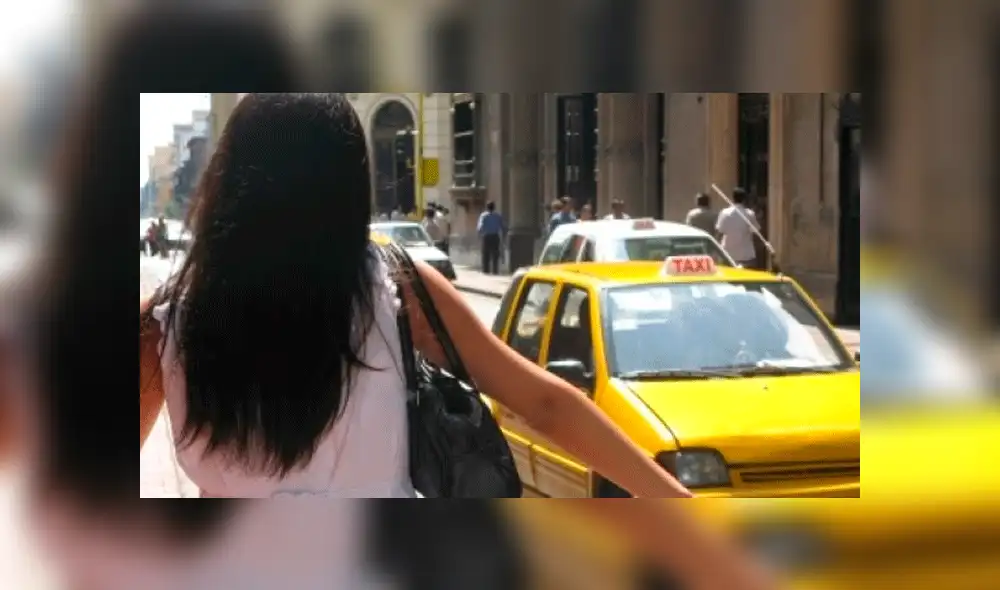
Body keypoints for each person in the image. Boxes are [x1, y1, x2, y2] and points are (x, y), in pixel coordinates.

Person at [120, 93, 767, 589]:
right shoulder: (394, 287)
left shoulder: (172, 320)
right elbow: (542, 402)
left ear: (230, 179)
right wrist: (682, 510)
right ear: (349, 190)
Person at [716, 187, 760, 267]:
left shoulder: (724, 213)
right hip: (746, 255)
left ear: (733, 198)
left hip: (728, 254)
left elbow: (719, 233)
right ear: (744, 199)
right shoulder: (750, 214)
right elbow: (756, 232)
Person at [477, 200, 505, 274]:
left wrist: (479, 234)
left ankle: (486, 270)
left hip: (486, 236)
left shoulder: (483, 216)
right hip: (495, 236)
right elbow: (502, 226)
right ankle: (495, 270)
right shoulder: (498, 216)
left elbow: (480, 227)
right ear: (494, 207)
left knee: (486, 254)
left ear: (487, 207)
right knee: (495, 254)